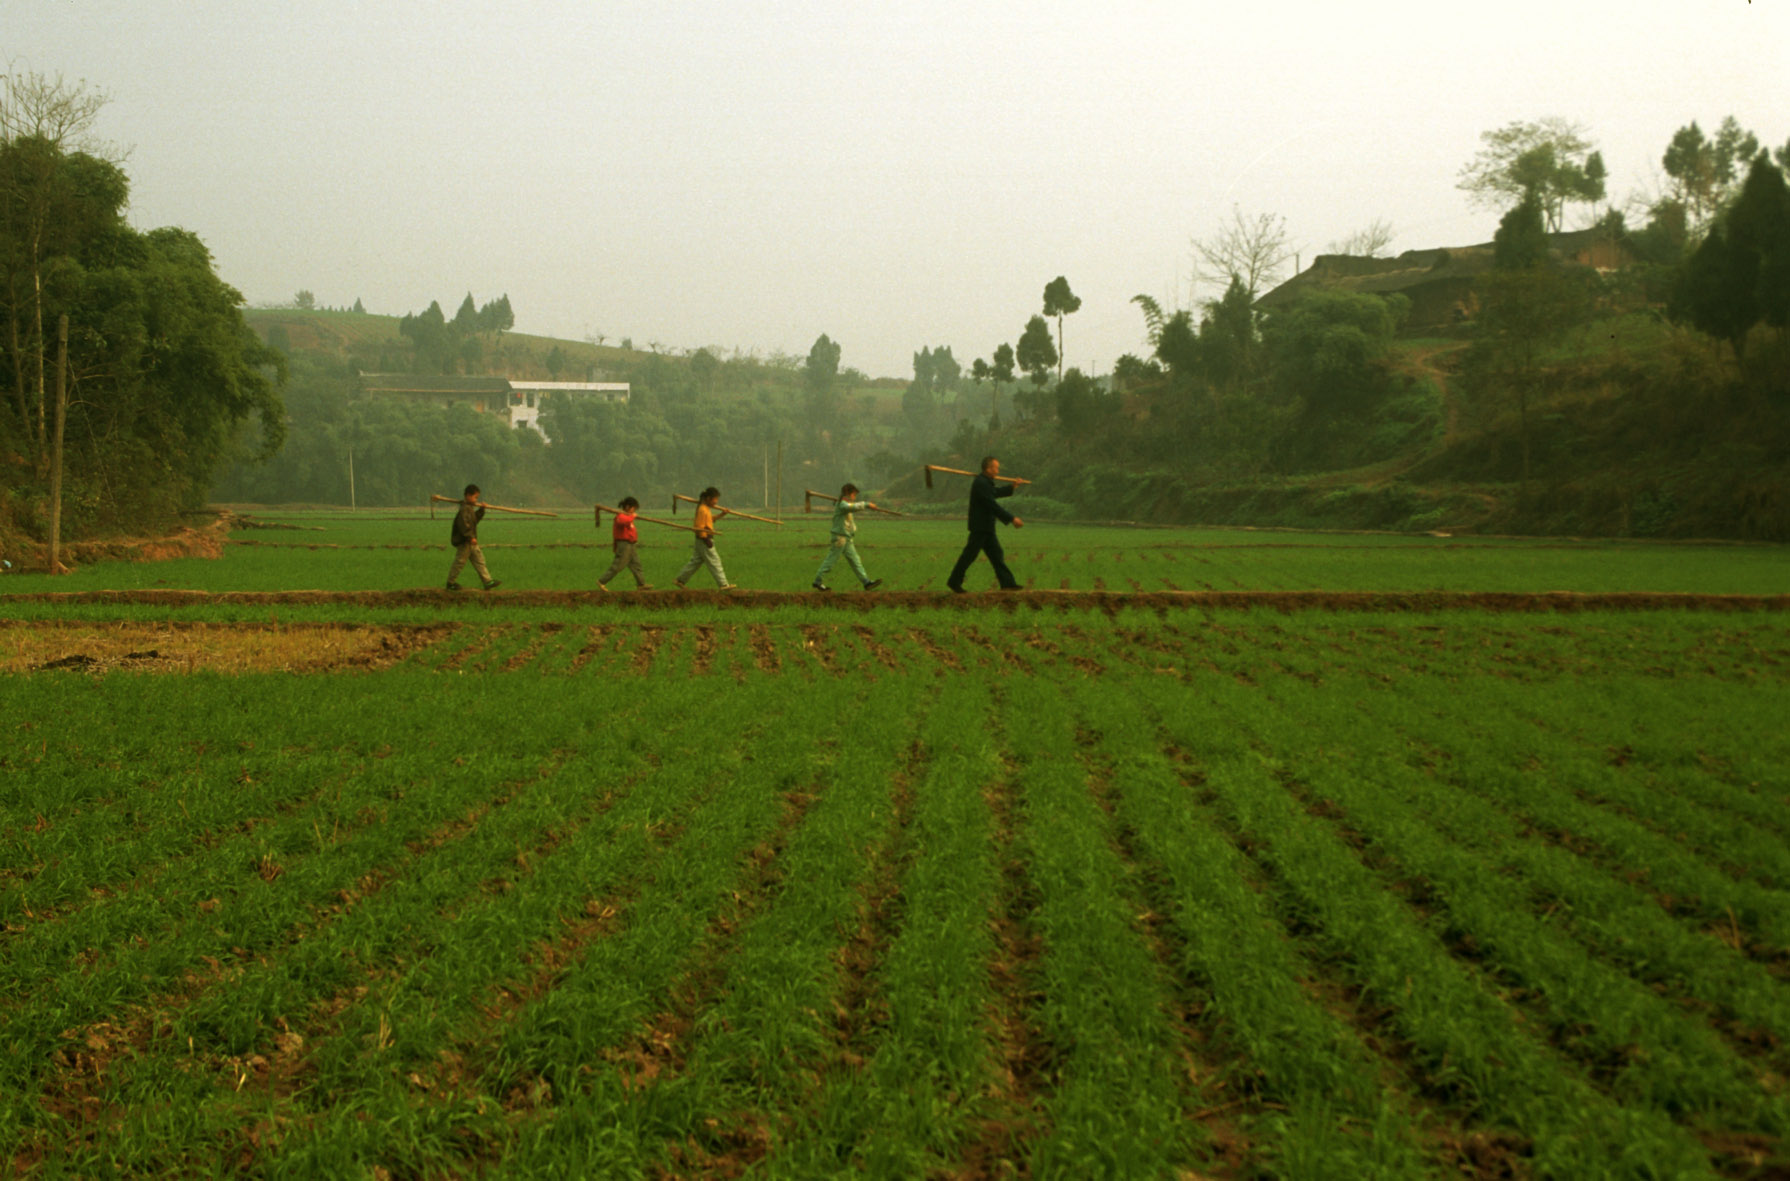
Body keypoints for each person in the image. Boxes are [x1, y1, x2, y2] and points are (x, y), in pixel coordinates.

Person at [945, 456, 1023, 592]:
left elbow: (994, 493)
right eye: (996, 468)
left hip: (986, 527)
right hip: (980, 527)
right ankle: (954, 581)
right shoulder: (981, 483)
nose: (998, 471)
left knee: (996, 554)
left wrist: (1012, 487)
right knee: (969, 555)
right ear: (988, 469)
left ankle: (1008, 583)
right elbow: (992, 504)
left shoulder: (986, 482)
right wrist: (1012, 519)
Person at [812, 482, 884, 592]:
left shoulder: (842, 504)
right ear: (848, 494)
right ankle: (818, 581)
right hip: (840, 539)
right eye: (854, 495)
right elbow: (853, 507)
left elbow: (851, 507)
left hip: (847, 538)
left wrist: (866, 505)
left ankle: (866, 582)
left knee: (856, 561)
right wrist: (867, 504)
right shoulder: (843, 505)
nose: (854, 498)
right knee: (830, 561)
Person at [674, 486, 732, 589]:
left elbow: (710, 520)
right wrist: (706, 540)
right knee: (715, 561)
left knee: (695, 562)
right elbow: (699, 527)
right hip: (704, 540)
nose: (716, 502)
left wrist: (722, 514)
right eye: (715, 499)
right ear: (708, 498)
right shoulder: (702, 510)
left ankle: (680, 580)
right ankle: (723, 584)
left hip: (702, 540)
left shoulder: (706, 509)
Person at [446, 483, 501, 591]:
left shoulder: (469, 508)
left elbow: (474, 521)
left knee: (479, 560)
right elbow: (464, 525)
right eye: (475, 497)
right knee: (460, 562)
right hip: (465, 541)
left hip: (470, 542)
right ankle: (450, 583)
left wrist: (481, 510)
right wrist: (470, 537)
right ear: (468, 496)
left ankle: (487, 581)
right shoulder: (464, 510)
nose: (476, 500)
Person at [597, 496, 652, 591]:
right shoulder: (620, 516)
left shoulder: (627, 516)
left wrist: (631, 517)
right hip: (624, 545)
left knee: (636, 565)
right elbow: (623, 522)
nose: (634, 511)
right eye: (633, 508)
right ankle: (602, 581)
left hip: (631, 545)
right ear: (627, 507)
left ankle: (641, 584)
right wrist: (632, 516)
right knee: (618, 565)